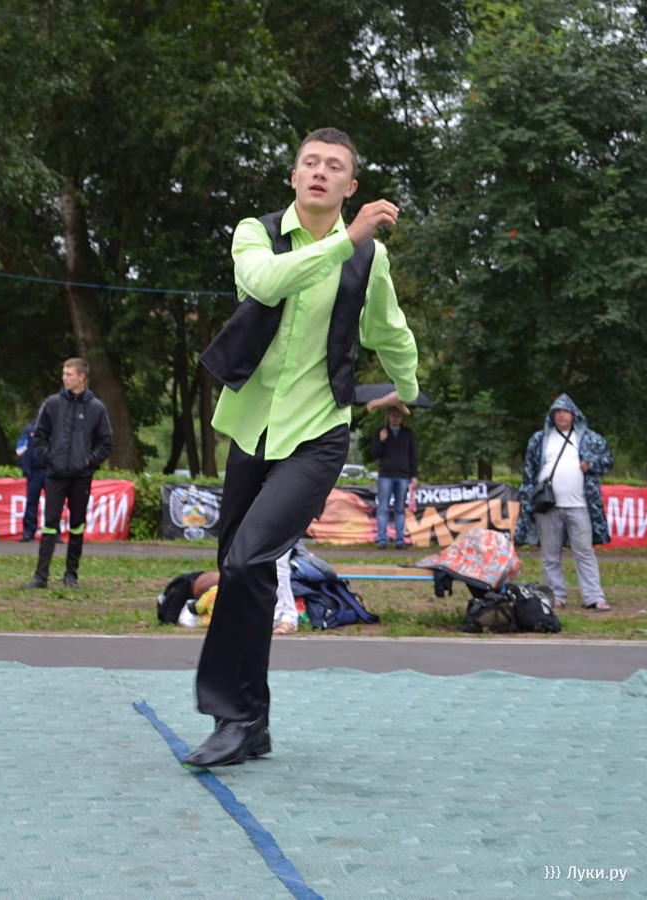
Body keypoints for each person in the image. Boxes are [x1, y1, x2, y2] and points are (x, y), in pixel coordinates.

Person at [185, 127, 418, 768]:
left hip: (318, 434)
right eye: (309, 162)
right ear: (293, 178)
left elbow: (388, 329)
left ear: (350, 185)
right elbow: (264, 283)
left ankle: (233, 718)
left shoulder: (369, 259)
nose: (319, 171)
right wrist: (347, 239)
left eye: (333, 166)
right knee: (243, 572)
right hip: (252, 431)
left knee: (247, 559)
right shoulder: (255, 233)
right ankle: (253, 722)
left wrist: (408, 387)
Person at [20, 358, 113, 590]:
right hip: (55, 475)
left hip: (81, 477)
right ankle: (41, 576)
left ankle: (71, 575)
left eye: (69, 374)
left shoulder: (97, 408)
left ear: (82, 377)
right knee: (50, 524)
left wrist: (89, 460)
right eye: (63, 373)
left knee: (77, 525)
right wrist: (50, 458)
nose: (64, 378)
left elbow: (106, 442)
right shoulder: (52, 404)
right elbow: (39, 436)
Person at [514, 394, 612, 610]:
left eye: (565, 411)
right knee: (550, 555)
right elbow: (529, 473)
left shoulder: (590, 439)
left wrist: (591, 465)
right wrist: (528, 501)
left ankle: (594, 597)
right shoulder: (539, 439)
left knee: (585, 552)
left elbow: (608, 461)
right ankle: (555, 596)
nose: (561, 415)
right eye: (557, 412)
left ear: (574, 415)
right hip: (547, 506)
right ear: (552, 416)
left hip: (581, 505)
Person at [369, 405, 418, 549]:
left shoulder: (408, 433)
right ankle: (382, 539)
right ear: (388, 417)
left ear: (401, 417)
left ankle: (400, 540)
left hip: (403, 476)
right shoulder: (381, 432)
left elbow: (413, 455)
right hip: (385, 475)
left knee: (400, 509)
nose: (395, 418)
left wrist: (414, 475)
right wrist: (381, 440)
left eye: (398, 416)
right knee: (383, 508)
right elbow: (374, 454)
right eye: (393, 415)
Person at [15, 416, 45, 542]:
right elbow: (20, 448)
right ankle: (28, 531)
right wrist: (24, 465)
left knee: (54, 504)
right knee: (32, 502)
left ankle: (54, 532)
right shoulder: (30, 428)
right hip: (34, 471)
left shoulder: (56, 427)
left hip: (52, 472)